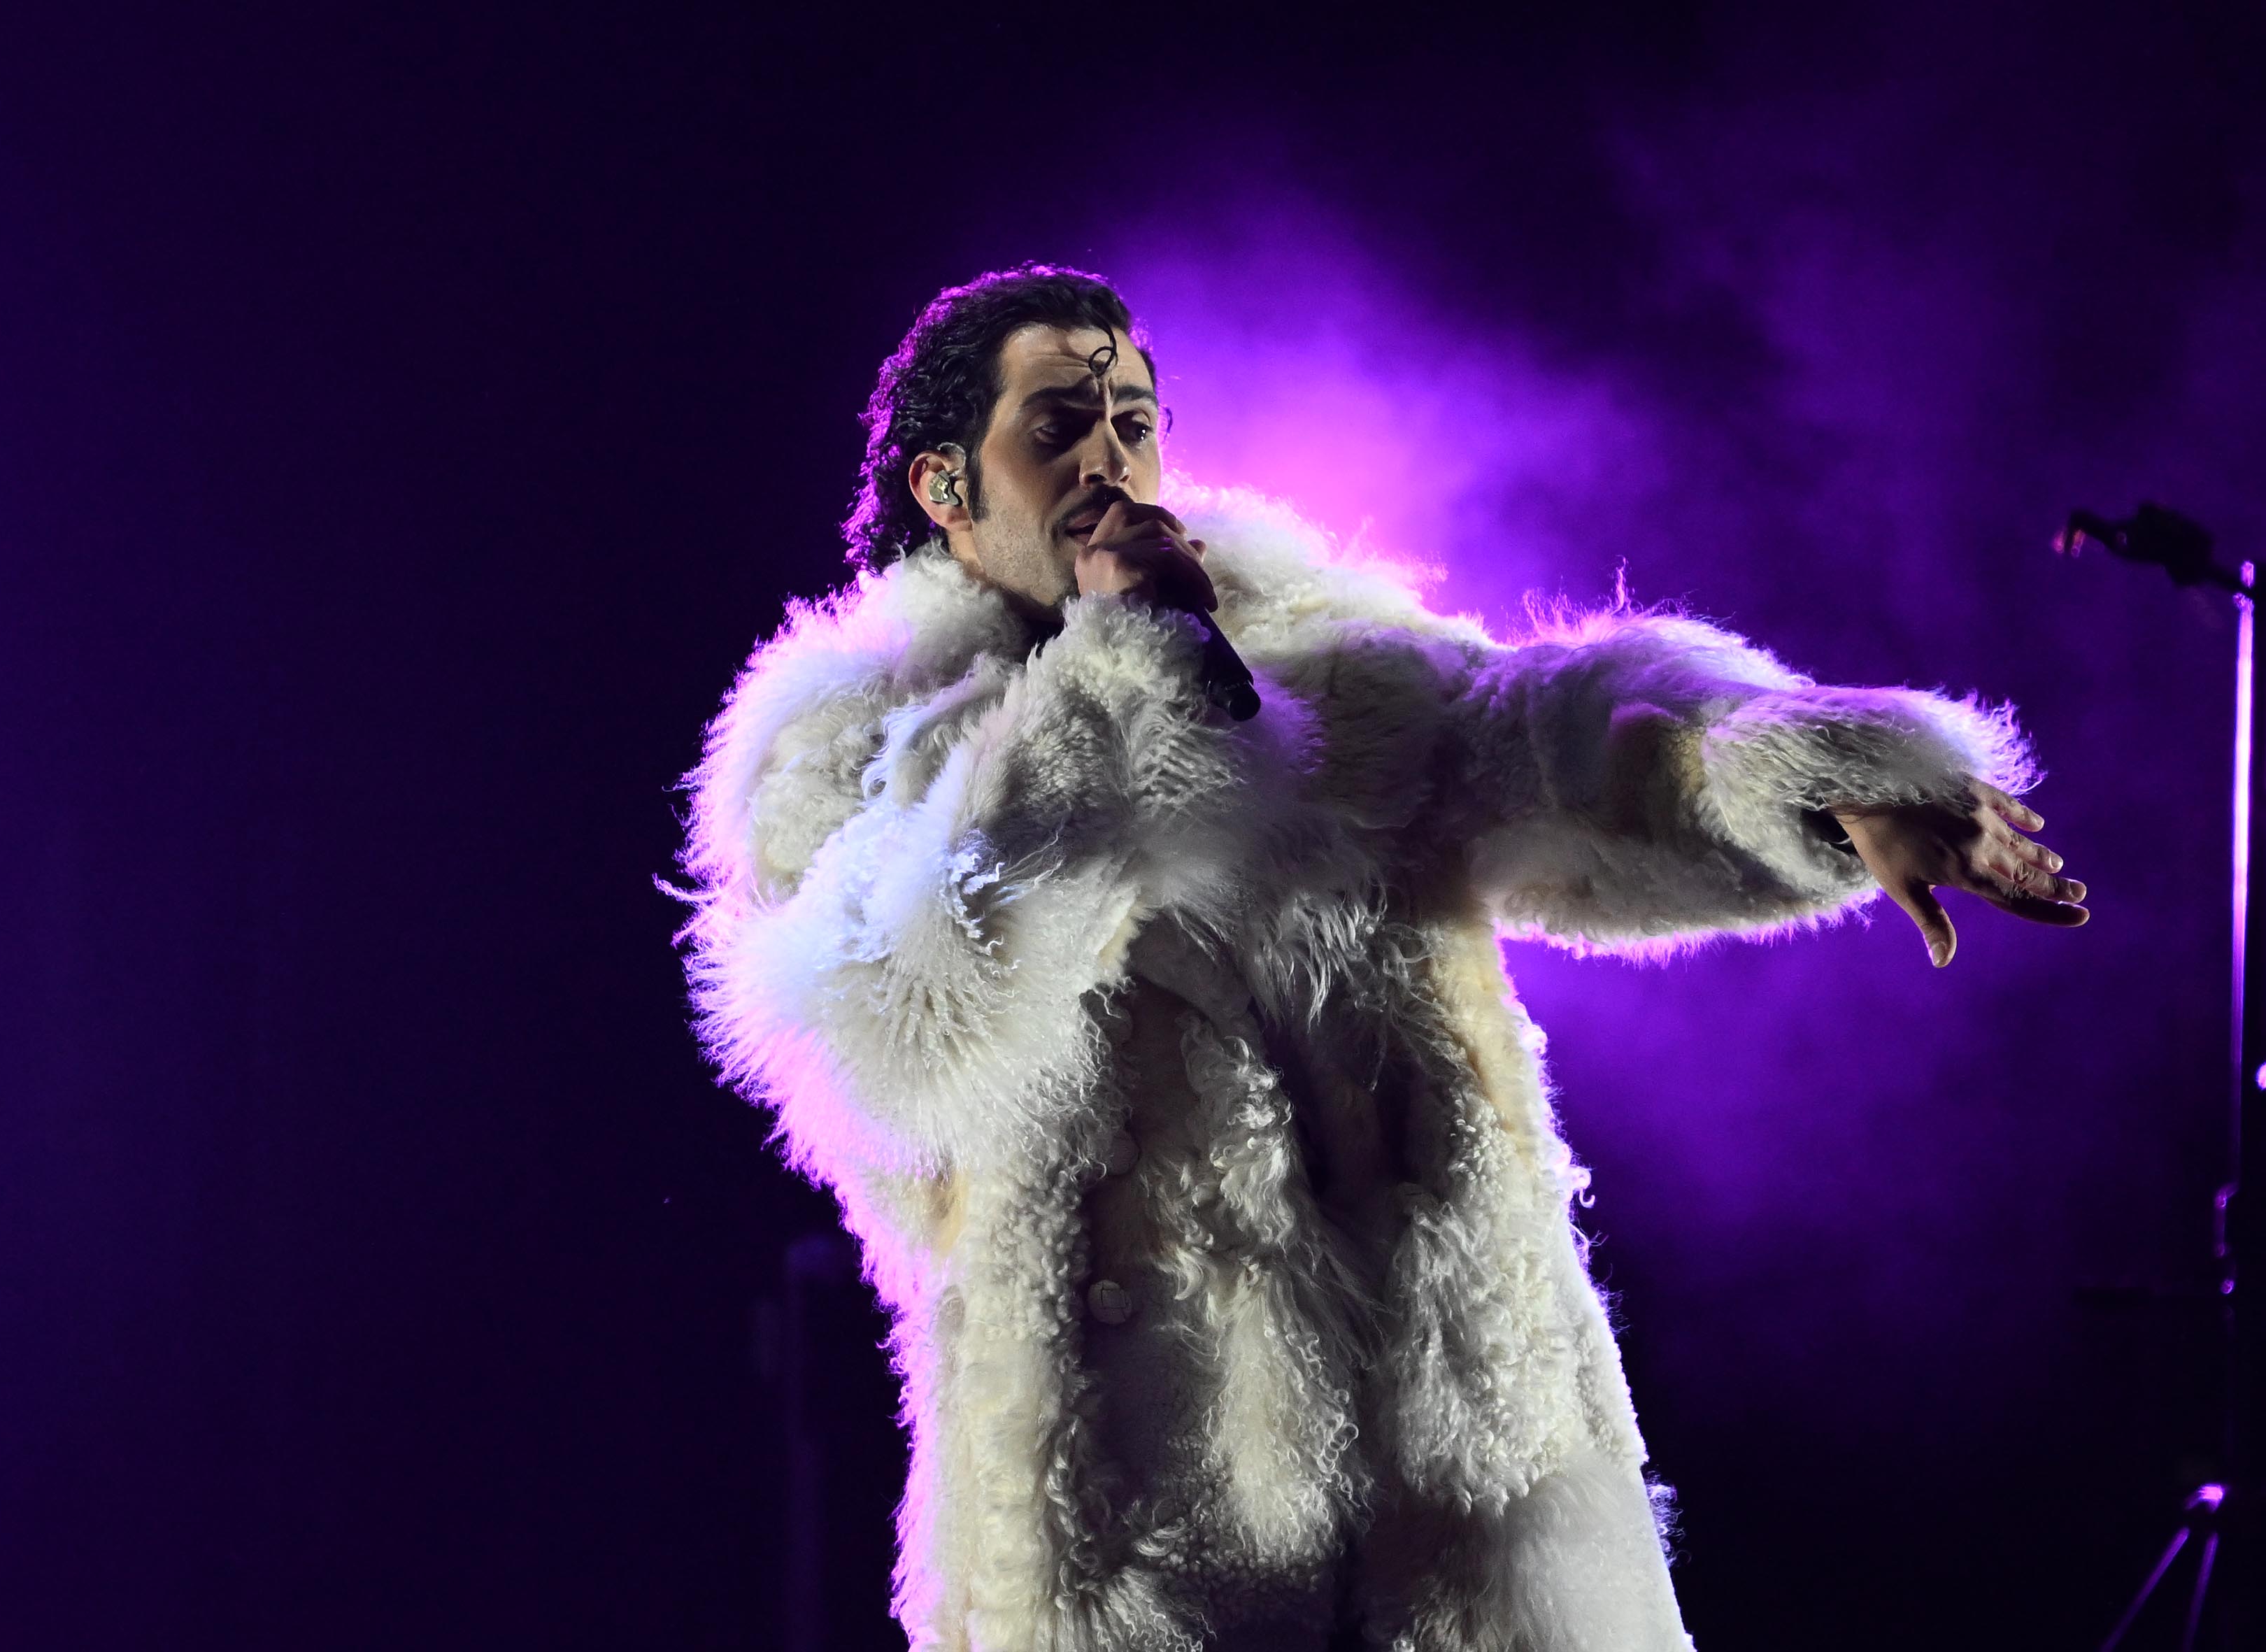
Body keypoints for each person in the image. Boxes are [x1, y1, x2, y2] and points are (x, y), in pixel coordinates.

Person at [676, 264, 2087, 1651]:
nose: (1110, 458)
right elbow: (906, 1022)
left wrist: (1803, 774)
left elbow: (1558, 734)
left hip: (1472, 1493)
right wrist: (1119, 668)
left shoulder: (1321, 661)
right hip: (1142, 1538)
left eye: (1133, 420)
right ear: (943, 486)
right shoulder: (846, 758)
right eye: (1056, 427)